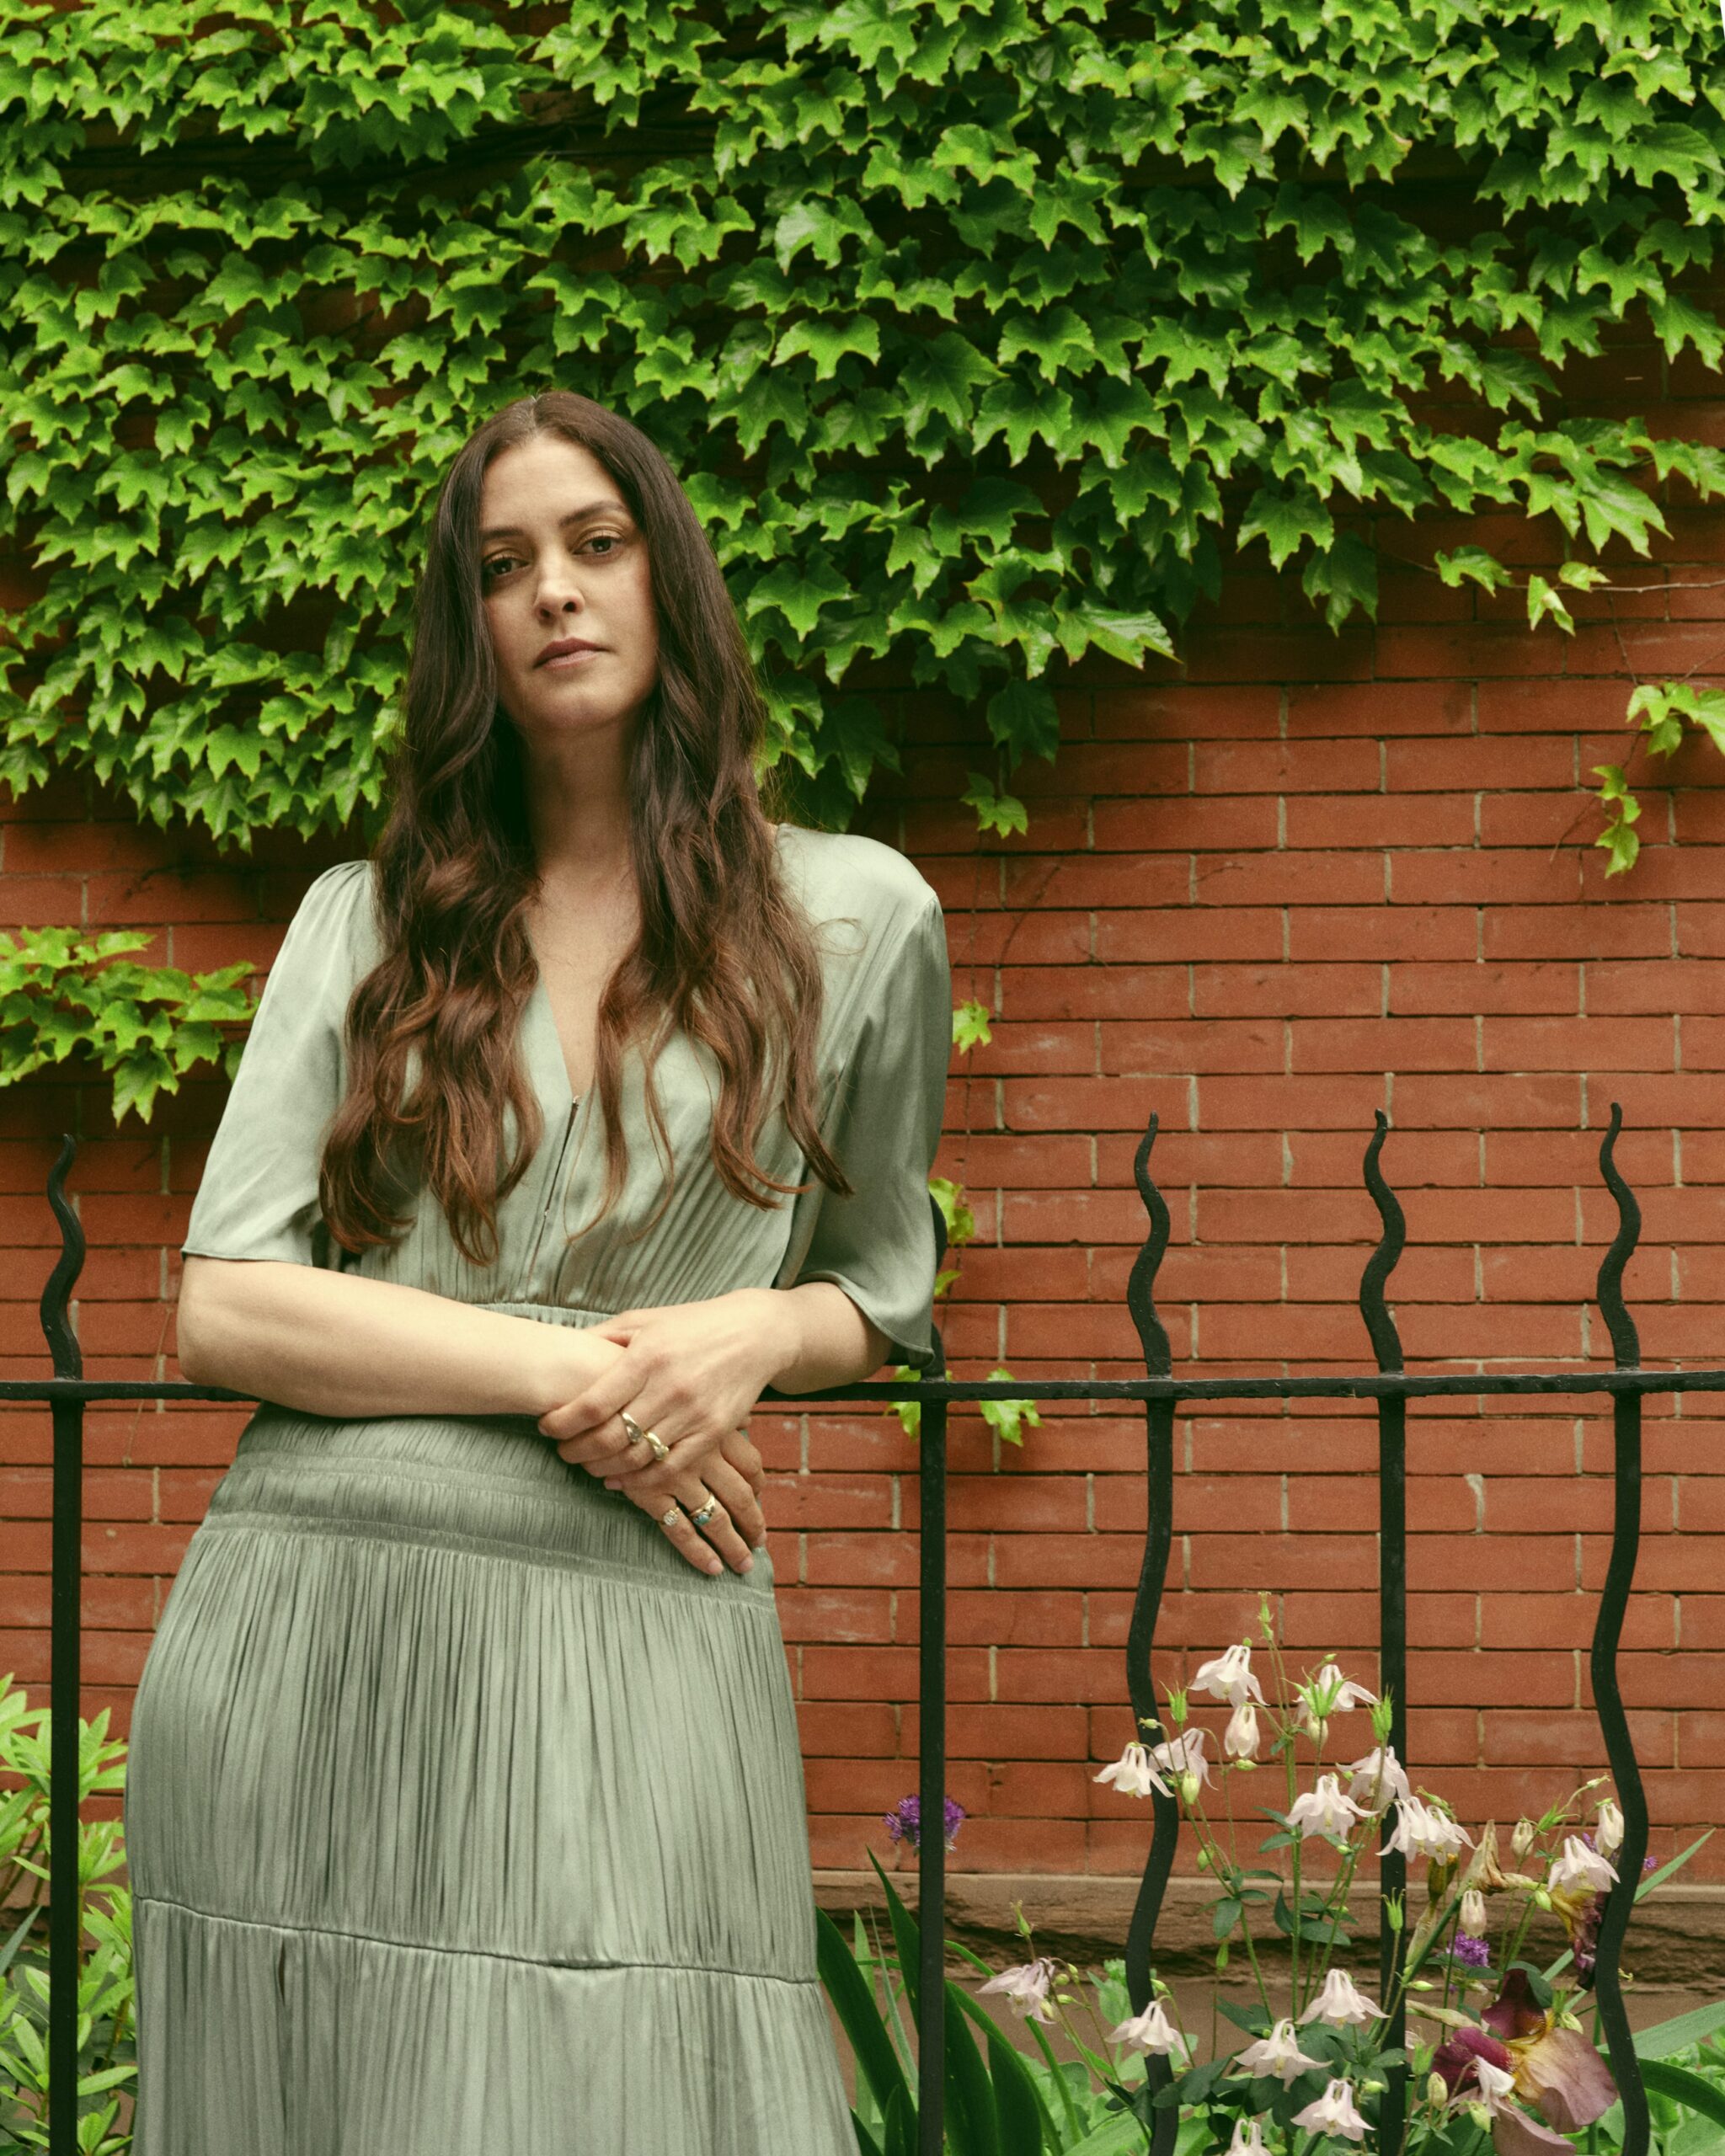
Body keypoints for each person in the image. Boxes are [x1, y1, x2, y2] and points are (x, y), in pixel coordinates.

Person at [121, 389, 952, 2153]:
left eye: (596, 543)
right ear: (469, 630)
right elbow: (224, 1302)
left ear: (670, 581)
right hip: (317, 1624)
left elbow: (881, 1285)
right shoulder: (366, 921)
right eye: (505, 567)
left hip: (639, 1620)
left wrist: (751, 1324)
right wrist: (571, 1370)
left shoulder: (858, 918)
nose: (555, 593)